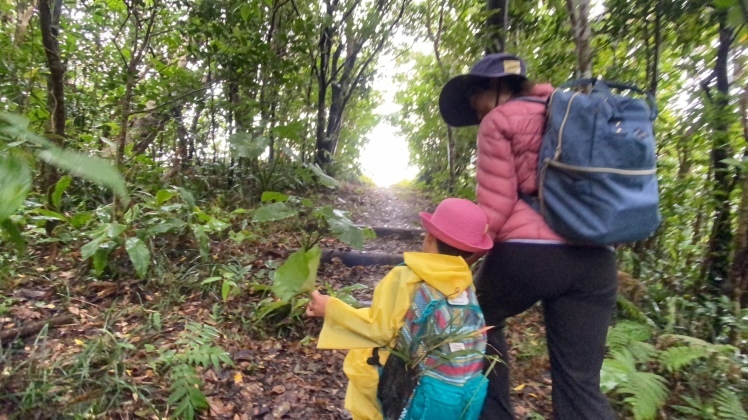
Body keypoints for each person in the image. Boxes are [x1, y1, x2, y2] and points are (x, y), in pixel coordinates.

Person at [438, 53, 618, 420]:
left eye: (475, 96)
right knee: (580, 381)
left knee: (476, 321)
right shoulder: (577, 113)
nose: (474, 109)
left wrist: (459, 258)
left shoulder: (498, 120)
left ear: (497, 87)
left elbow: (497, 209)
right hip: (597, 259)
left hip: (529, 255)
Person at [306, 198, 494, 420]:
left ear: (430, 237)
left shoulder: (406, 277)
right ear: (471, 255)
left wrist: (330, 308)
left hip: (415, 389)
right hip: (461, 390)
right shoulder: (464, 283)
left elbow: (379, 329)